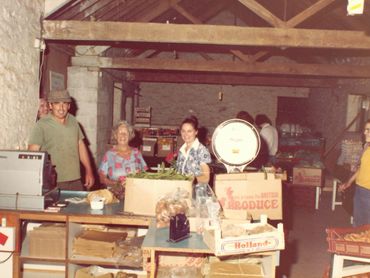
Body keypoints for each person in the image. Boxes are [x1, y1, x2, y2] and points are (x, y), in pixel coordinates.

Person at [28, 90, 95, 191]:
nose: (61, 107)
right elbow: (32, 153)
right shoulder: (41, 125)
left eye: (65, 103)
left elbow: (80, 145)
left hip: (76, 180)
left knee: (79, 206)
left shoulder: (73, 121)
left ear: (69, 106)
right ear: (50, 105)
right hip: (53, 182)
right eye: (57, 103)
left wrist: (89, 170)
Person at [98, 121, 148, 199]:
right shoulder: (109, 154)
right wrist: (116, 184)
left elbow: (145, 175)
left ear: (130, 136)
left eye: (125, 133)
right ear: (115, 135)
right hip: (114, 196)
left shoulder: (137, 153)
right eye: (120, 132)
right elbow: (101, 178)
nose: (123, 135)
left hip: (135, 194)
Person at [339, 119, 370, 227]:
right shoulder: (366, 146)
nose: (365, 132)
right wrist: (349, 182)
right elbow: (361, 168)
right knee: (357, 222)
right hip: (360, 189)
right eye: (365, 129)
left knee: (367, 226)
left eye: (368, 130)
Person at [176, 116, 212, 184]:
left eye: (189, 131)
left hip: (196, 191)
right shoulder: (182, 150)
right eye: (183, 131)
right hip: (182, 189)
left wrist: (192, 179)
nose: (186, 134)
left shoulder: (201, 151)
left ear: (196, 132)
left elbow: (206, 178)